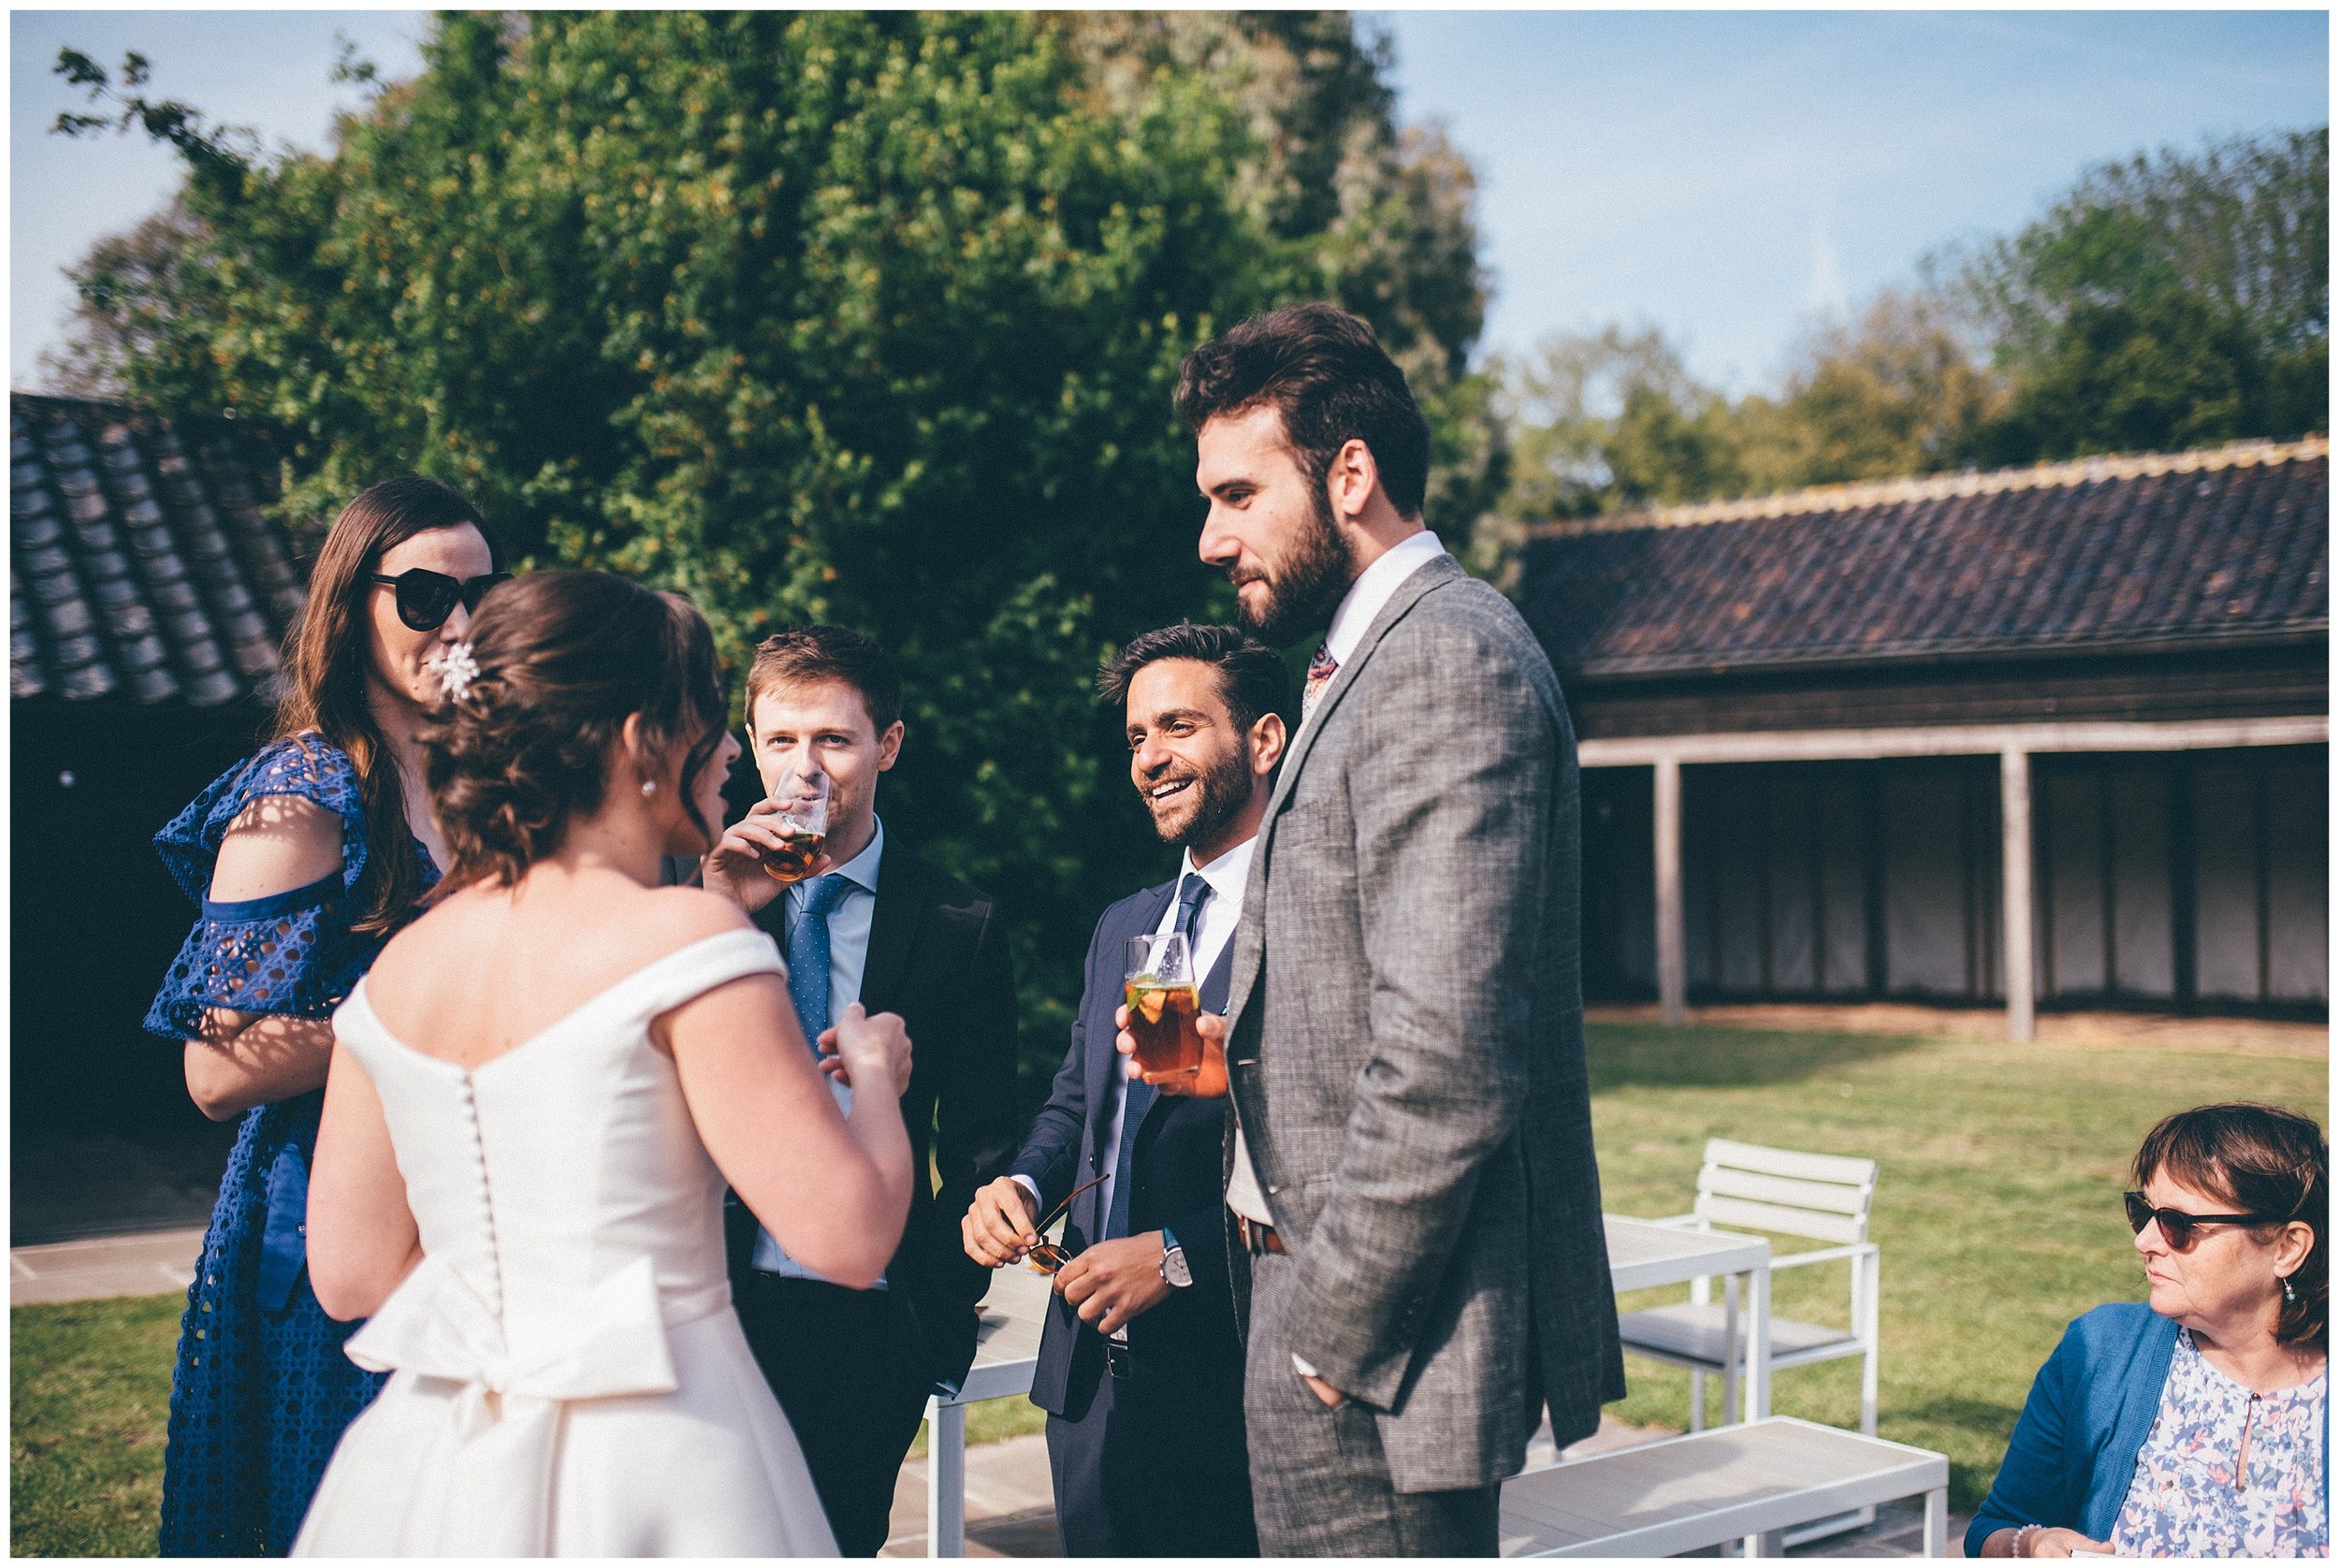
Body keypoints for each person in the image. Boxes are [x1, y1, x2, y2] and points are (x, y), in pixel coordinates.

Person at [1131, 302, 1626, 1556]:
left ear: (1347, 473)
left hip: (1378, 1353)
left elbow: (1448, 1054)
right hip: (1316, 1306)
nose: (1210, 537)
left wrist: (1332, 1332)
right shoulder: (1371, 664)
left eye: (1239, 494)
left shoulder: (1442, 662)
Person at [291, 570, 915, 1555]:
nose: (725, 759)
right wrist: (874, 1069)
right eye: (709, 720)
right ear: (642, 743)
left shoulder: (401, 965)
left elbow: (351, 1273)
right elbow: (847, 1236)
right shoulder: (685, 938)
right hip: (667, 1452)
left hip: (446, 1459)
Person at [141, 475, 505, 1555]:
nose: (458, 624)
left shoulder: (478, 777)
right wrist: (417, 1008)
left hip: (457, 1201)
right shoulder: (302, 791)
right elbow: (219, 1069)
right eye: (428, 593)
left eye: (481, 595)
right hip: (319, 1217)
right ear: (352, 605)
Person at [698, 625, 1021, 1556]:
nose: (807, 767)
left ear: (887, 745)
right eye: (783, 739)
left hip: (868, 1323)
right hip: (710, 1301)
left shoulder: (960, 921)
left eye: (834, 740)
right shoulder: (690, 898)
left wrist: (939, 1313)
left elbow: (980, 1140)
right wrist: (716, 903)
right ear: (751, 743)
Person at [963, 623, 1285, 1556]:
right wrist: (1022, 1184)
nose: (1150, 758)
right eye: (1138, 736)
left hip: (1227, 1382)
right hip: (1091, 1388)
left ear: (1263, 740)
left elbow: (1332, 1154)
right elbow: (1085, 1098)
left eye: (1177, 726)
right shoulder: (1130, 924)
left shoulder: (1315, 918)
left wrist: (1177, 1256)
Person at [1969, 1102, 2327, 1559]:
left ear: (2286, 1248)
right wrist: (2031, 1543)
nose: (2145, 1242)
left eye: (2178, 1224)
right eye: (2144, 1212)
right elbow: (1995, 1526)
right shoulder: (2099, 1350)